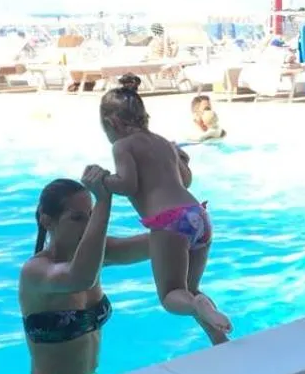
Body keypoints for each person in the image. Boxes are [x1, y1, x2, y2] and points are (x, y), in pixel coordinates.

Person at [99, 79, 231, 342]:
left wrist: (103, 181)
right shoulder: (164, 143)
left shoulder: (122, 146)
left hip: (169, 222)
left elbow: (127, 184)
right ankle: (220, 339)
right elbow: (185, 181)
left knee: (171, 295)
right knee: (191, 289)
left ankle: (199, 306)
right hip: (198, 215)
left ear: (113, 122)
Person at [18, 170, 152, 374]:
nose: (90, 226)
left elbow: (161, 243)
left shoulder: (100, 254)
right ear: (47, 220)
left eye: (92, 215)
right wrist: (103, 202)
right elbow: (80, 278)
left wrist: (171, 196)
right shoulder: (35, 271)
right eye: (78, 218)